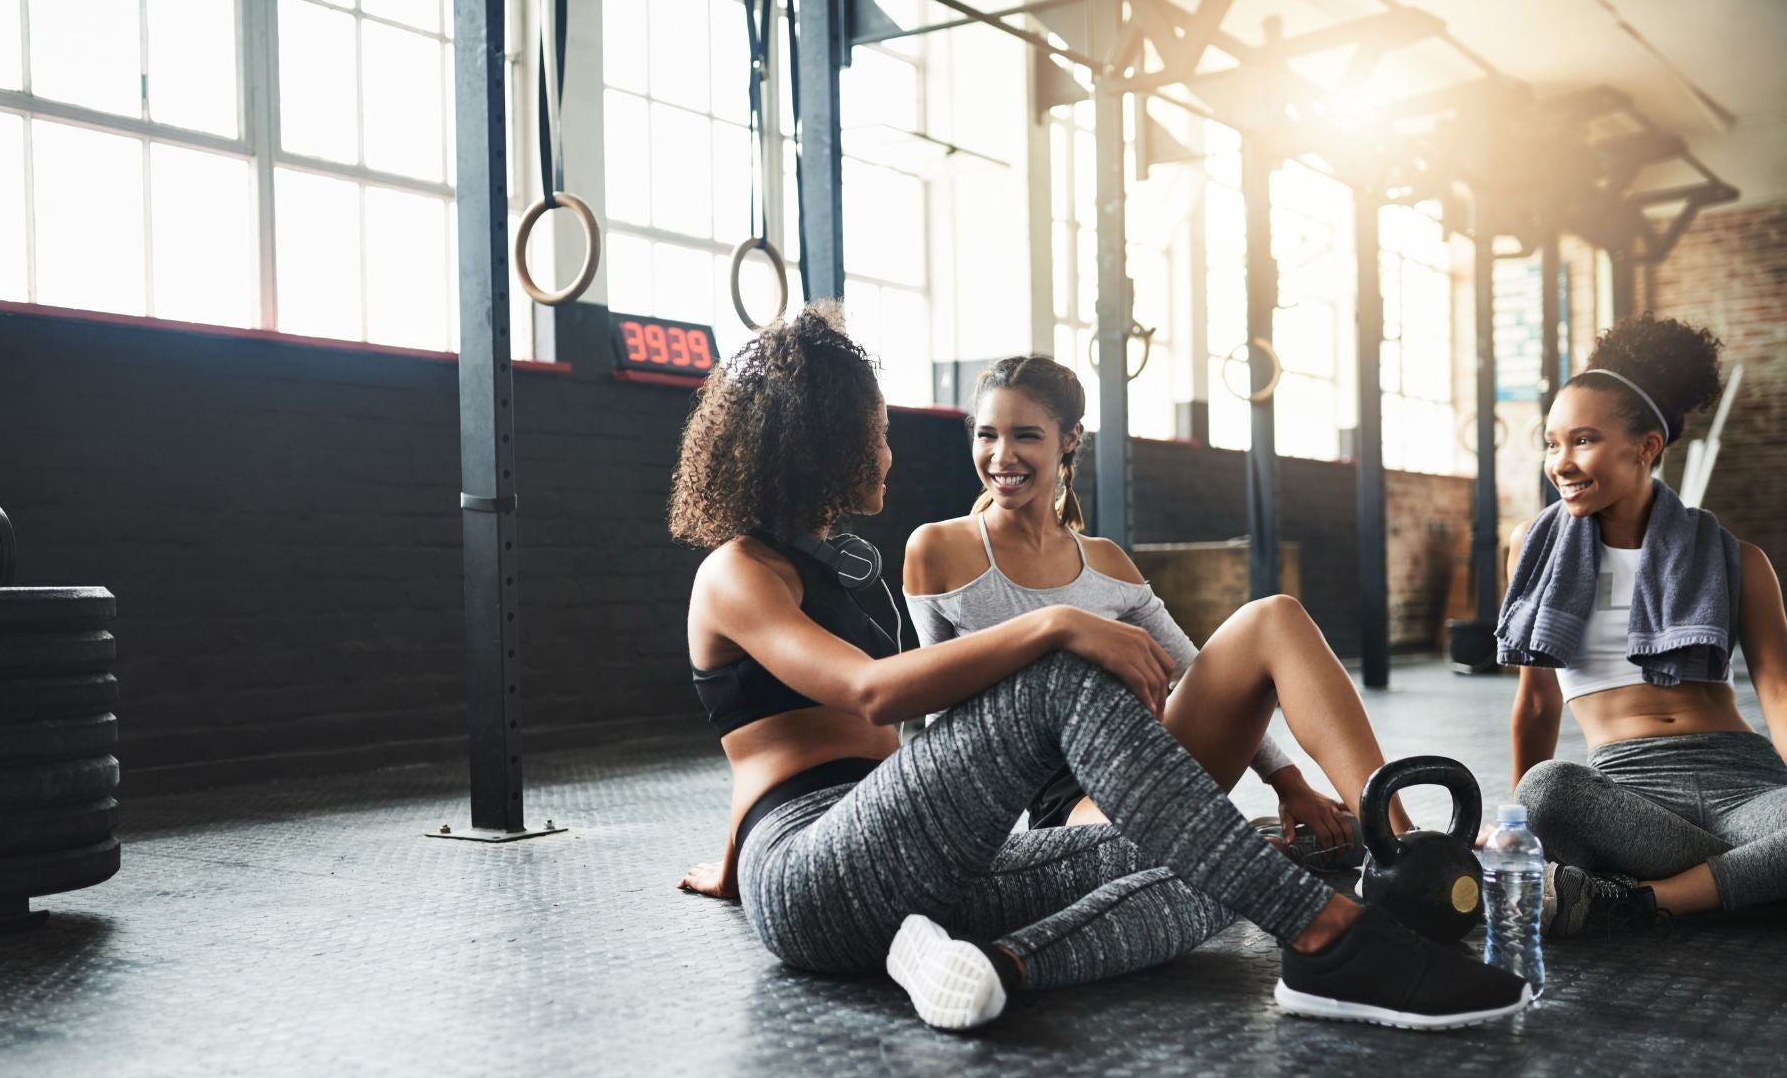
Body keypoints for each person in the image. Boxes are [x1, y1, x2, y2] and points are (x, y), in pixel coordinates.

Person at [672, 303, 1524, 1032]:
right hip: (815, 879)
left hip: (911, 865)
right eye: (878, 433)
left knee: (1210, 859)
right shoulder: (736, 572)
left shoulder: (831, 565)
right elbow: (866, 694)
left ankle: (989, 968)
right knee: (1059, 668)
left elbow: (783, 739)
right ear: (827, 444)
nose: (889, 451)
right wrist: (1056, 623)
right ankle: (1332, 938)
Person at [903, 355, 1414, 864]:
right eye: (988, 434)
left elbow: (1199, 674)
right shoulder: (938, 550)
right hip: (1066, 804)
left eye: (1027, 436)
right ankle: (1225, 848)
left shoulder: (1107, 563)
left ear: (1070, 438)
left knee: (1274, 616)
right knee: (1144, 843)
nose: (1002, 455)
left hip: (1144, 761)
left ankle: (1404, 842)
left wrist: (1288, 782)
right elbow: (935, 707)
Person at [1500, 315, 1787, 936]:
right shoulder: (1535, 548)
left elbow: (1781, 693)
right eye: (1551, 443)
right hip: (1631, 789)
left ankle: (1634, 900)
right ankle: (1738, 881)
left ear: (1647, 446)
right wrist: (1516, 825)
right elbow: (1536, 702)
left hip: (1747, 780)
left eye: (1582, 440)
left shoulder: (1738, 559)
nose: (1561, 463)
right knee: (1547, 790)